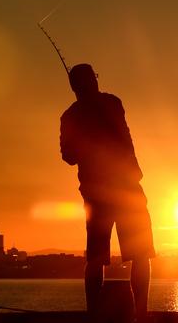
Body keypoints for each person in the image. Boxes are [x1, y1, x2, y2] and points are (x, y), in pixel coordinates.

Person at [60, 63, 155, 321]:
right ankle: (141, 313)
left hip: (100, 193)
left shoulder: (71, 116)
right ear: (89, 82)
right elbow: (124, 137)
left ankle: (95, 314)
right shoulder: (111, 104)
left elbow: (68, 156)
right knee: (138, 253)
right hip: (123, 190)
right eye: (93, 78)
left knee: (97, 257)